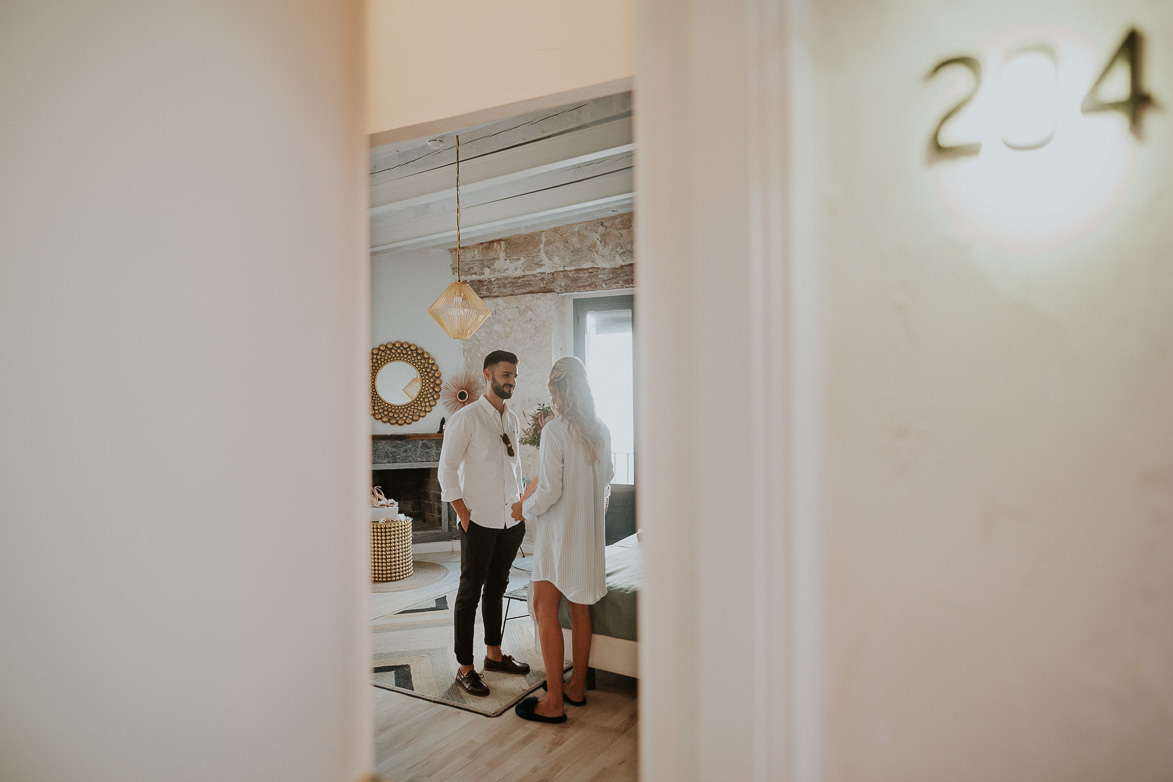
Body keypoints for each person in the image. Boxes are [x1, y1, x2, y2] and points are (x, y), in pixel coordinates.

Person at [510, 356, 613, 723]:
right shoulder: (601, 429)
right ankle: (576, 688)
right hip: (587, 536)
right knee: (580, 607)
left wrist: (524, 509)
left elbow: (549, 489)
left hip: (558, 537)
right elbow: (607, 478)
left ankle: (553, 702)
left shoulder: (556, 431)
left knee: (543, 608)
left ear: (555, 389)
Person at [438, 350, 531, 697]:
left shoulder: (513, 419)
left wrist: (520, 507)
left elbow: (514, 466)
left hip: (510, 521)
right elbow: (446, 470)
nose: (512, 381)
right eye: (507, 374)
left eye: (515, 376)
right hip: (478, 521)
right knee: (469, 594)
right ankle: (465, 667)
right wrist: (464, 513)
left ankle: (494, 654)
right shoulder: (466, 419)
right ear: (488, 374)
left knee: (496, 589)